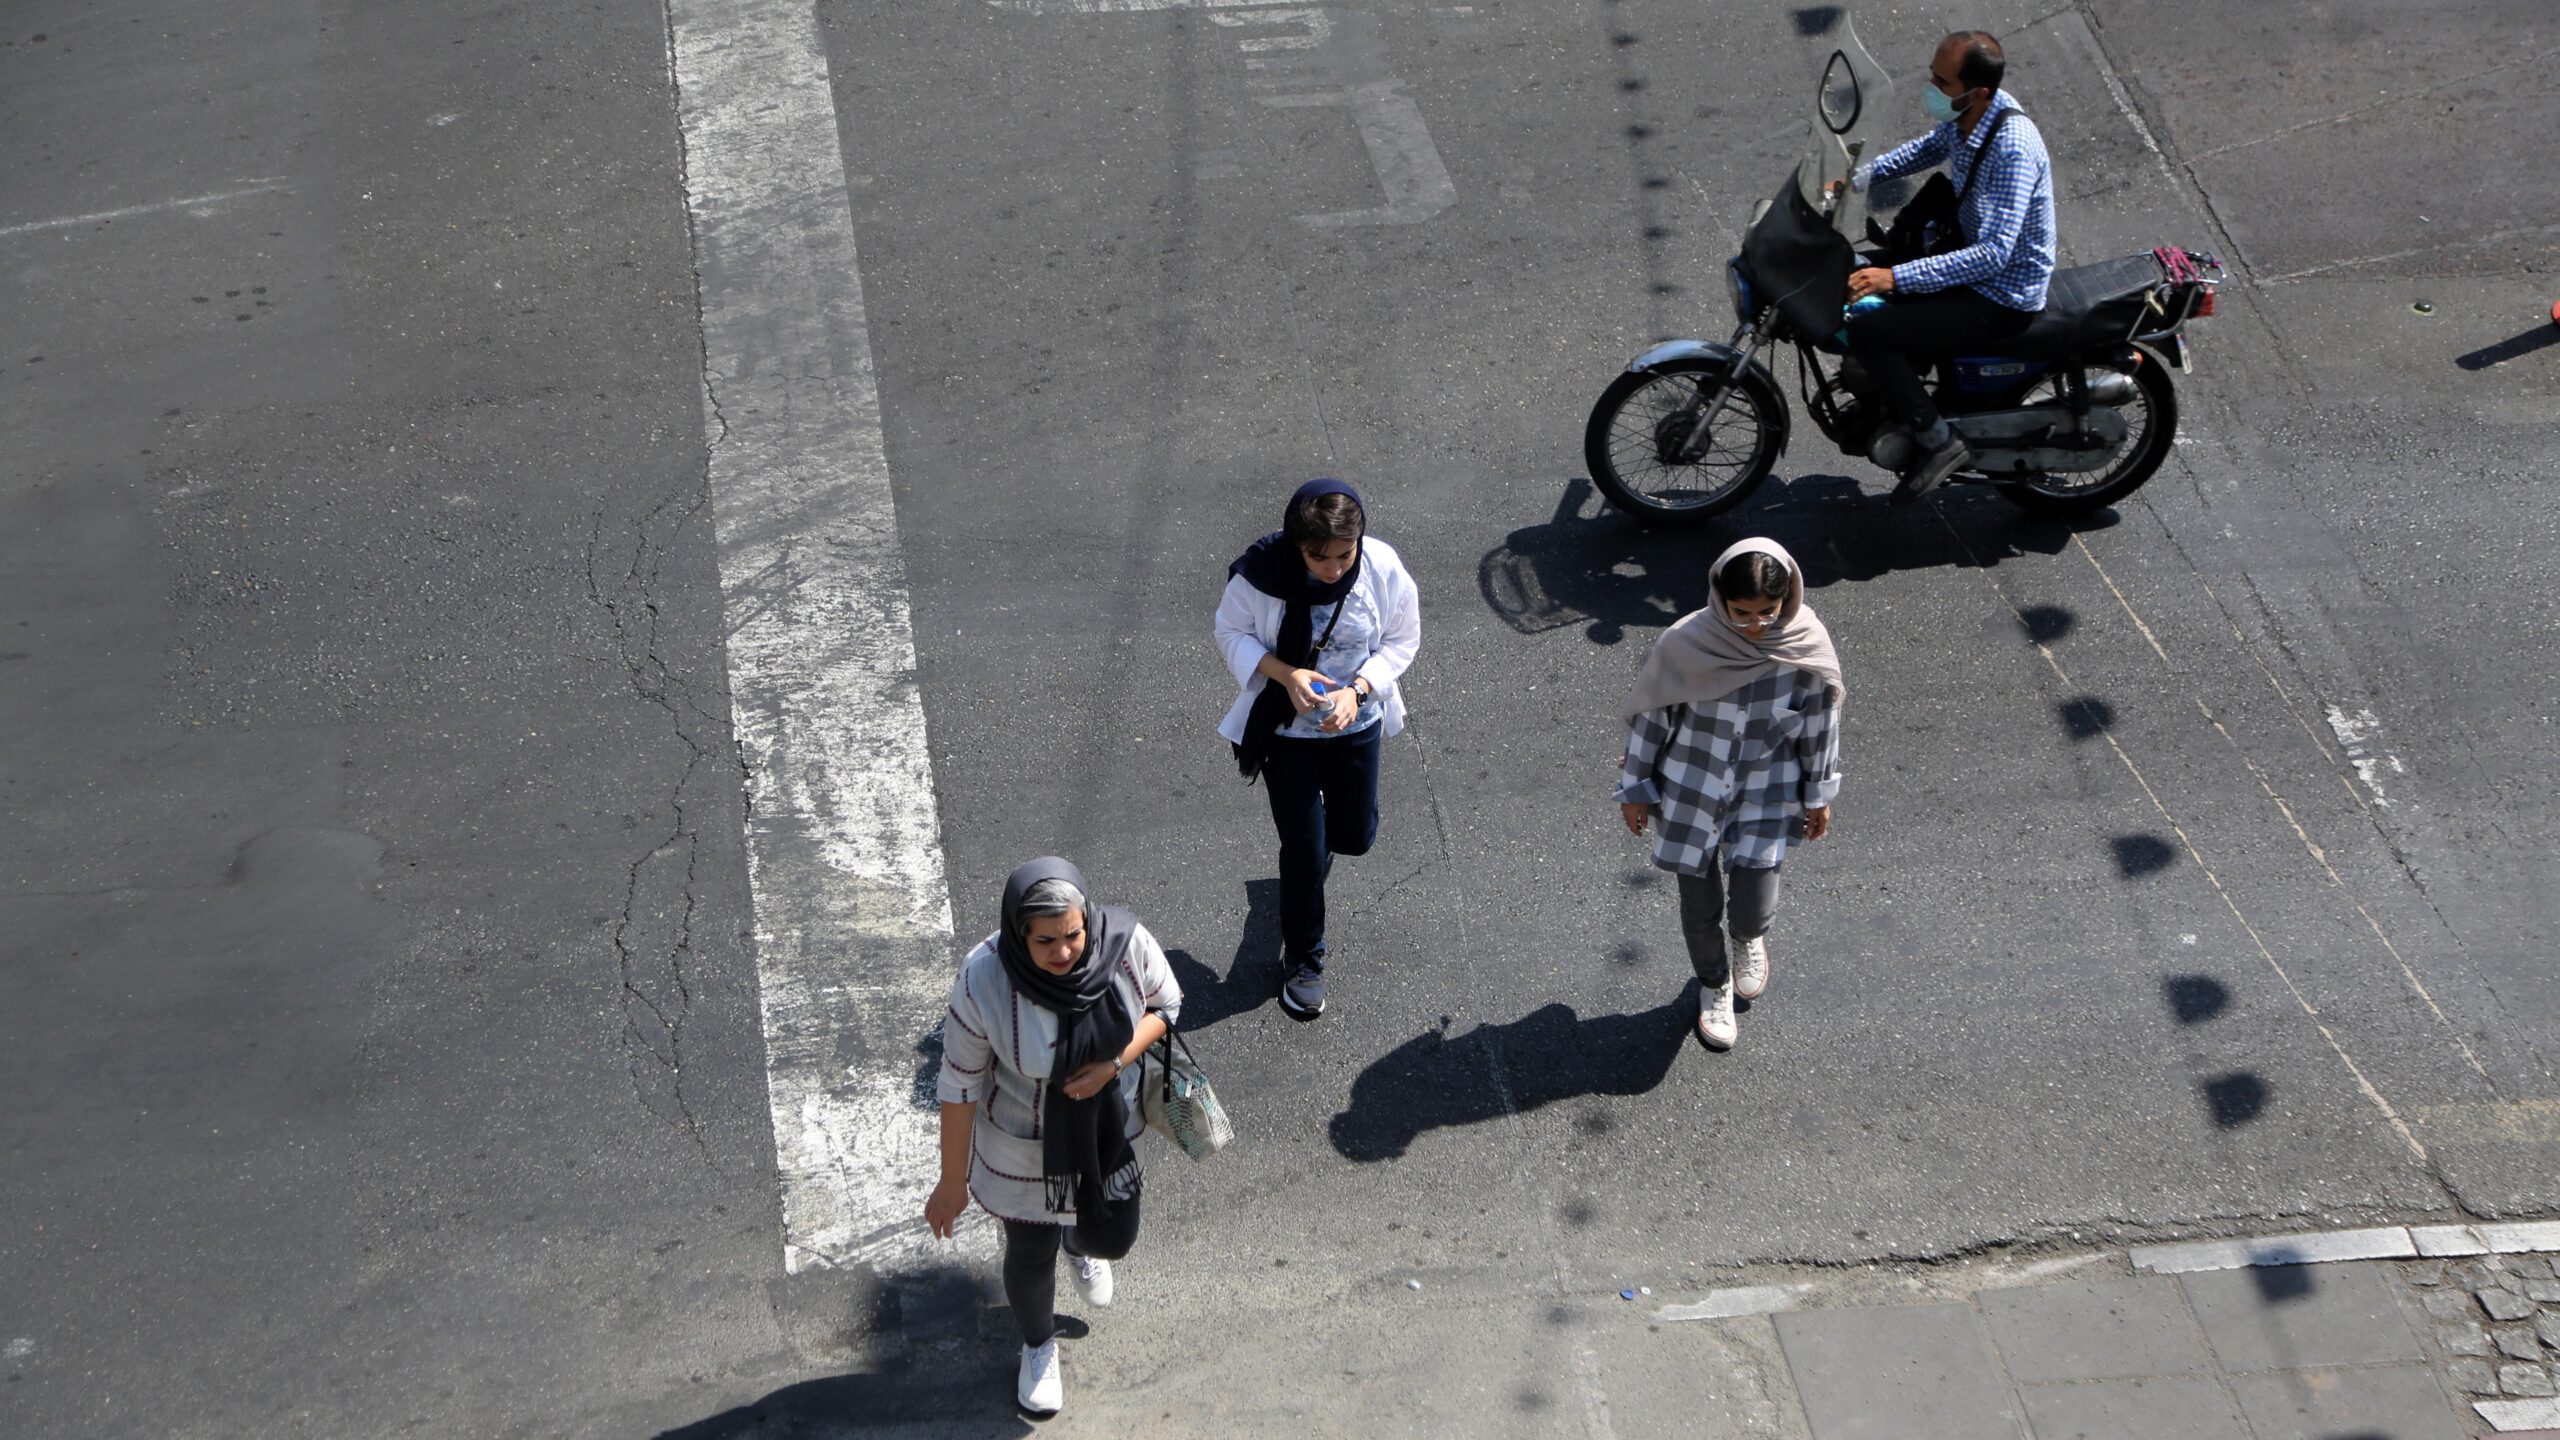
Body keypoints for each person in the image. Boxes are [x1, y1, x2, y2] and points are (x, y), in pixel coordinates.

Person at [925, 858, 1183, 1417]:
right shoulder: (983, 978)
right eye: (1046, 941)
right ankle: (1038, 1346)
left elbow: (1167, 1004)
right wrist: (952, 1181)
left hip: (1108, 1134)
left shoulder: (1126, 944)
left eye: (1072, 935)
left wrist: (1113, 1063)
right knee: (1030, 1250)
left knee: (1112, 1237)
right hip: (1023, 1147)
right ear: (1020, 937)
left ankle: (1079, 1243)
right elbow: (959, 1081)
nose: (1064, 952)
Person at [1615, 539, 1843, 1050]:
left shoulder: (1805, 645)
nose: (1757, 625)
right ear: (1720, 597)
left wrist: (1819, 794)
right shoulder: (1685, 643)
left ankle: (1747, 940)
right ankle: (1713, 984)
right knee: (1698, 908)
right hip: (1690, 793)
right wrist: (1634, 789)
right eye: (1742, 613)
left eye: (1769, 611)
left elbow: (1821, 727)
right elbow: (1653, 719)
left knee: (1753, 904)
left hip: (1767, 794)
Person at [1215, 479, 1421, 1020]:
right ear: (1295, 543)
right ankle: (1305, 961)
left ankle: (1322, 844)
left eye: (1343, 555)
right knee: (1303, 853)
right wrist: (1285, 675)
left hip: (1357, 724)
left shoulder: (1381, 567)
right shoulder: (1263, 573)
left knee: (1355, 836)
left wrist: (1358, 691)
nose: (1332, 568)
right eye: (1317, 556)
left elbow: (1402, 639)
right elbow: (1231, 632)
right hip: (1287, 736)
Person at [1842, 29, 2056, 503]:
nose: (1932, 90)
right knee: (1846, 270)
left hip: (2000, 292)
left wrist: (1895, 277)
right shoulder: (1973, 116)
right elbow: (1925, 150)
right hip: (1962, 251)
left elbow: (1993, 254)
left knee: (1872, 331)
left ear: (1977, 91)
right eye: (1932, 77)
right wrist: (1854, 178)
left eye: (1942, 82)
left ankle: (1940, 441)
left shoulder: (2011, 147)